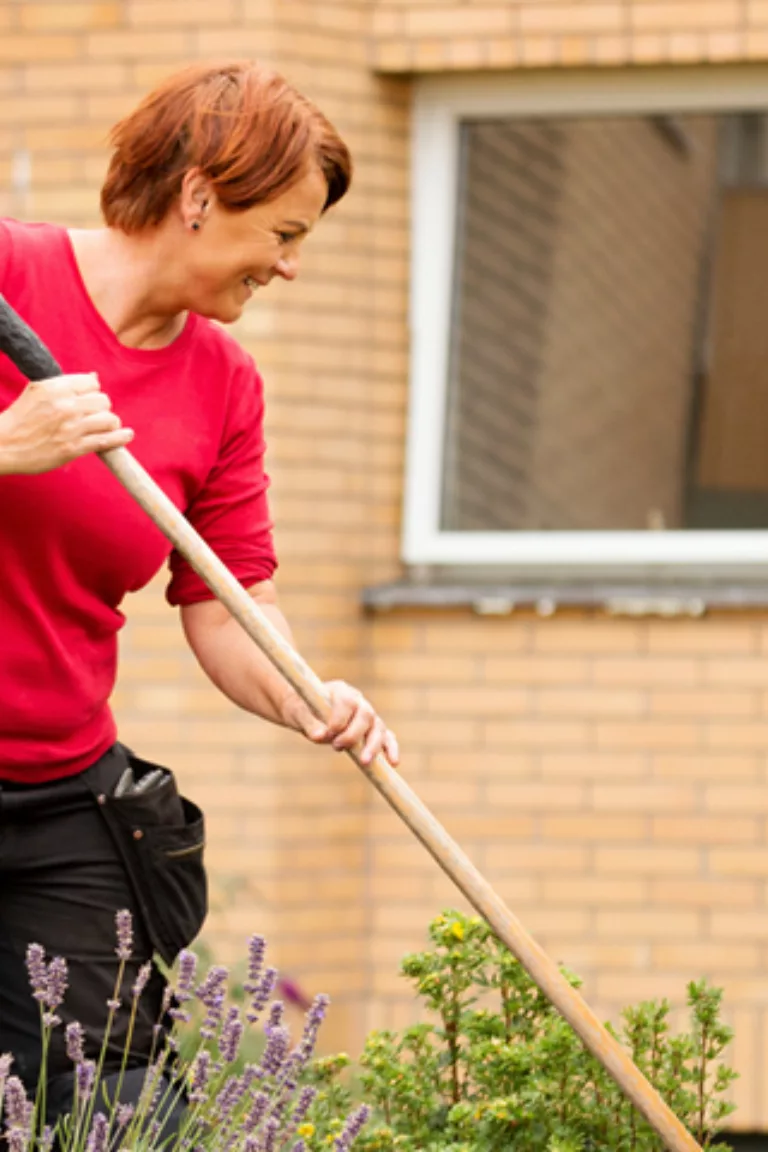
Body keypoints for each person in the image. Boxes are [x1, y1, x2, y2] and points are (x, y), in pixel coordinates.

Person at [0, 60, 400, 1138]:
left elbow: (225, 602)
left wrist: (310, 696)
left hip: (57, 799)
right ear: (196, 196)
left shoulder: (223, 385)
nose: (291, 266)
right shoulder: (7, 281)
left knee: (117, 1115)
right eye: (284, 232)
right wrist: (7, 446)